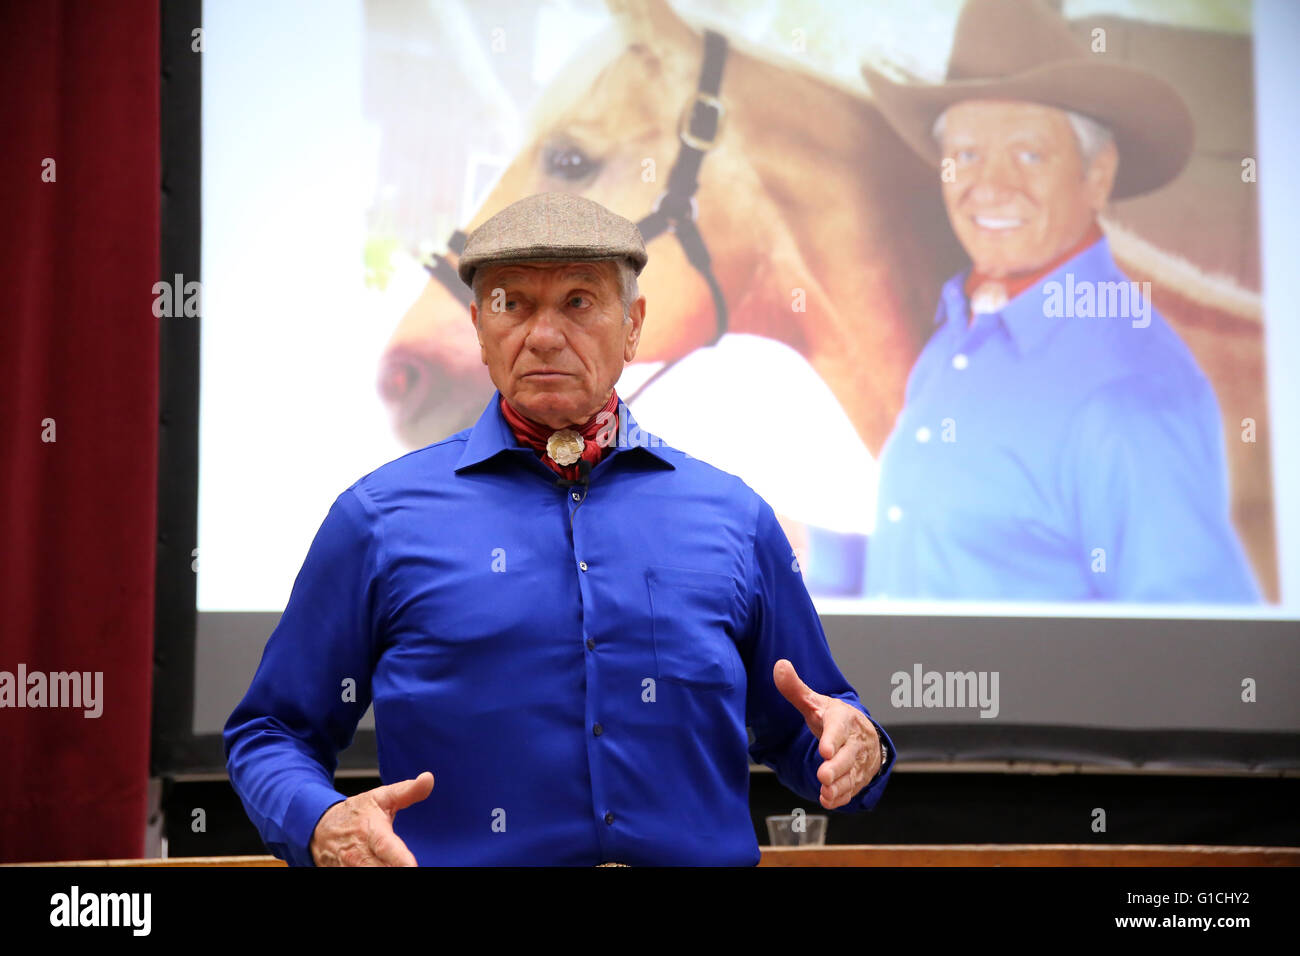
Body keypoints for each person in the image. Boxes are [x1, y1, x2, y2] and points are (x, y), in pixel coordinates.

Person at [224, 191, 894, 866]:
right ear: (478, 329)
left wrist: (855, 747)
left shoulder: (736, 518)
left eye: (578, 301)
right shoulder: (376, 521)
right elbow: (272, 730)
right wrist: (320, 823)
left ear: (633, 325)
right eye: (511, 303)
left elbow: (810, 728)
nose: (543, 334)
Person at [859, 0, 1258, 602]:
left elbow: (1192, 659)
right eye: (966, 154)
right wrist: (798, 548)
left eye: (1029, 153)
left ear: (1097, 175)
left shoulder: (1132, 392)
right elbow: (956, 551)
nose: (988, 187)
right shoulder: (959, 332)